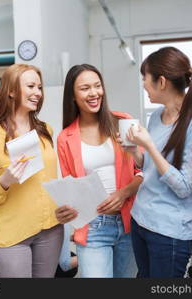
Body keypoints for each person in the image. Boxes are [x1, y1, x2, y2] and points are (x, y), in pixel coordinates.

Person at [122, 47, 192, 278]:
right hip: (140, 221)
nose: (144, 85)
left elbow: (185, 187)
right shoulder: (156, 116)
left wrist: (150, 146)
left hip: (168, 234)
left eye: (145, 79)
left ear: (162, 82)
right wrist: (133, 151)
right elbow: (150, 166)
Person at [0, 64, 63, 278]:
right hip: (11, 236)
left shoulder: (45, 131)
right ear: (11, 91)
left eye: (39, 87)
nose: (37, 93)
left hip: (50, 228)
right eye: (31, 86)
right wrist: (4, 181)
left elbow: (49, 178)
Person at [55, 64, 142, 278]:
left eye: (97, 86)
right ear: (73, 96)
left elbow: (144, 171)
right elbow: (71, 188)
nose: (94, 93)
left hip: (130, 222)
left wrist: (123, 193)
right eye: (85, 88)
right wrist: (64, 211)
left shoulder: (122, 121)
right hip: (94, 226)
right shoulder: (65, 138)